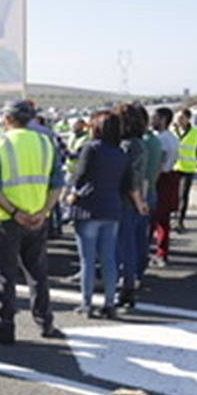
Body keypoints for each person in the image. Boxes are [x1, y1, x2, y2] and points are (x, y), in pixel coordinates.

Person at [0, 98, 66, 344]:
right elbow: (57, 182)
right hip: (38, 219)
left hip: (7, 219)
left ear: (7, 120)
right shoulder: (46, 143)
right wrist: (45, 211)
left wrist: (14, 212)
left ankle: (4, 327)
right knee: (37, 273)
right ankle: (45, 322)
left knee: (4, 275)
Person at [66, 109, 144, 316]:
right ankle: (110, 303)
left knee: (87, 259)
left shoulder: (91, 148)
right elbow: (128, 184)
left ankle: (87, 302)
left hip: (88, 208)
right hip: (112, 209)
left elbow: (80, 175)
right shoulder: (121, 153)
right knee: (109, 258)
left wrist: (72, 194)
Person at [115, 104, 152, 308]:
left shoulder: (129, 145)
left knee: (124, 244)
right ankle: (127, 281)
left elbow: (132, 179)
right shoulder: (138, 143)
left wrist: (139, 202)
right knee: (128, 243)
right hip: (130, 199)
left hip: (125, 200)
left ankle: (126, 283)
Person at [148, 107, 179, 266]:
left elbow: (160, 163)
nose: (152, 121)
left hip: (161, 180)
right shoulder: (172, 138)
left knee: (154, 220)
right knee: (163, 221)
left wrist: (151, 183)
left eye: (155, 117)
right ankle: (161, 252)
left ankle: (157, 253)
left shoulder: (162, 140)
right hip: (169, 177)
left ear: (163, 119)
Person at [172, 108, 197, 232]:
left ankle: (180, 220)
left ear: (188, 119)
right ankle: (173, 219)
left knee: (183, 195)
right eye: (177, 117)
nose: (179, 120)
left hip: (187, 168)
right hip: (173, 168)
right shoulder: (173, 131)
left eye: (181, 117)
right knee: (172, 196)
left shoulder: (196, 132)